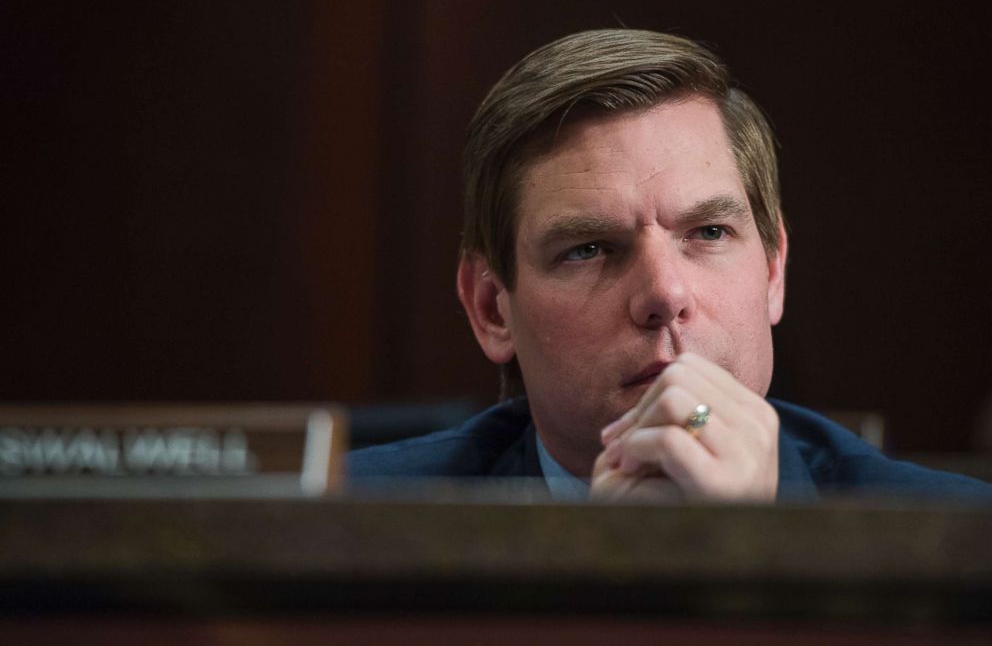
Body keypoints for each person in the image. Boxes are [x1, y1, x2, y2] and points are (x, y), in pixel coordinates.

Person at [349, 29, 991, 501]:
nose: (664, 292)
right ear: (492, 309)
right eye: (589, 249)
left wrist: (751, 558)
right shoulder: (339, 525)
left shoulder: (962, 541)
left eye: (708, 232)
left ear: (773, 273)